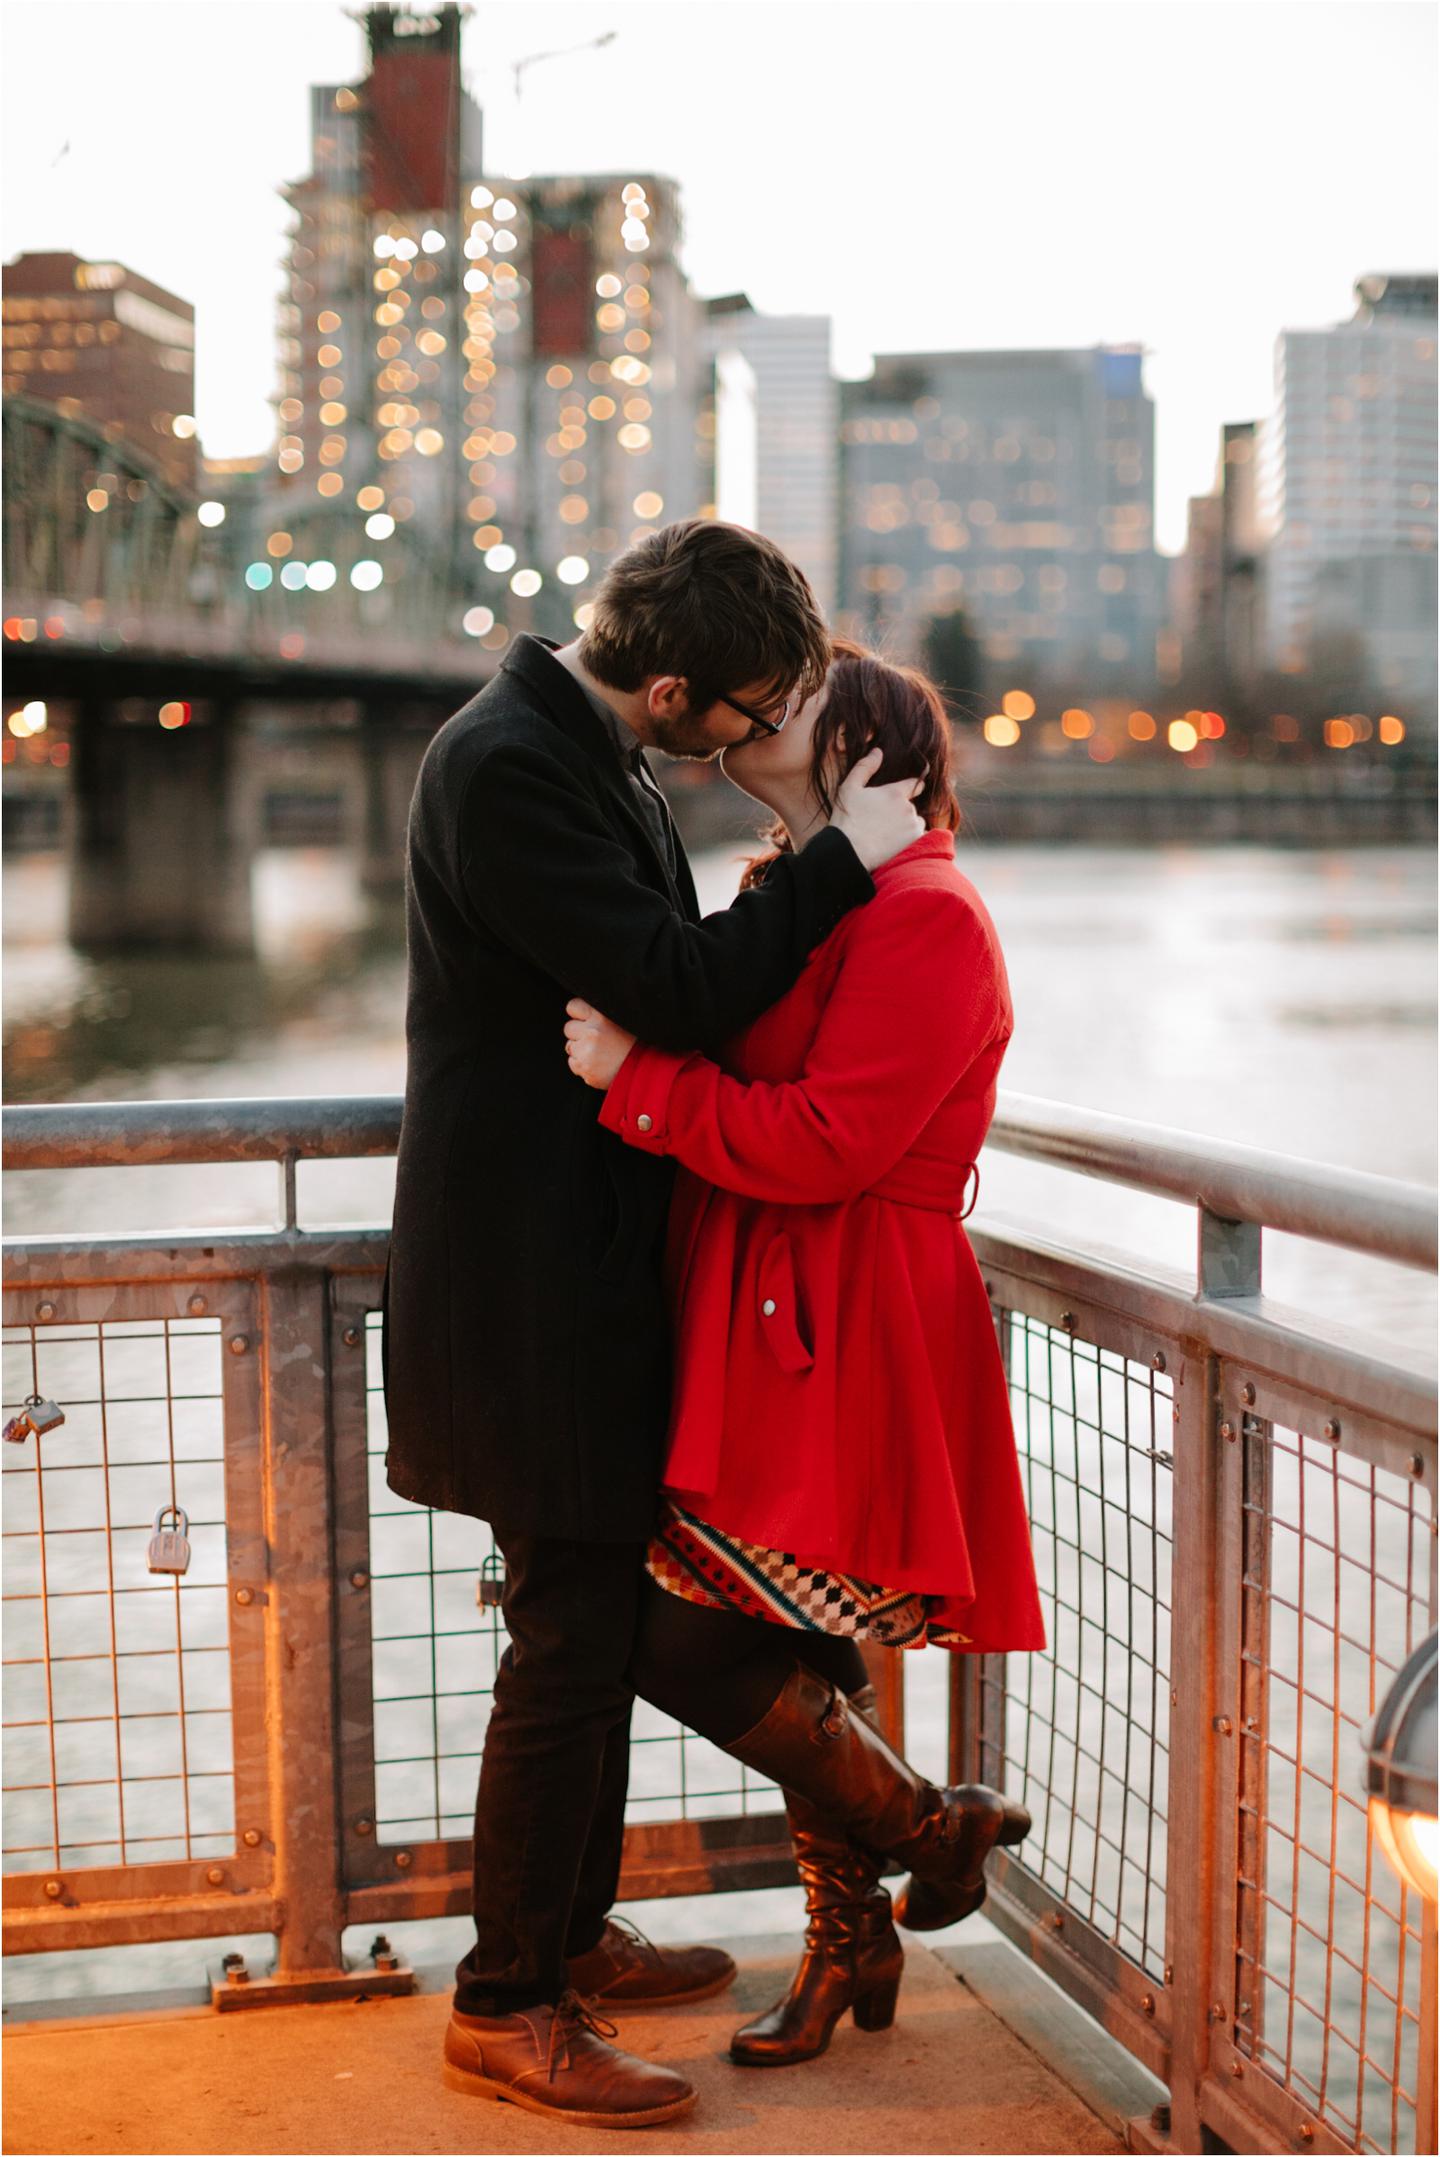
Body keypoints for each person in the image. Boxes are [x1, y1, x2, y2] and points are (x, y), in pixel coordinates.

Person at [383, 523, 928, 2129]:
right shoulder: (505, 767)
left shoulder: (584, 750)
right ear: (671, 681)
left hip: (578, 1275)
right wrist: (844, 858)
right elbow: (674, 991)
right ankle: (507, 2004)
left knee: (593, 1628)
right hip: (523, 1288)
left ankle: (563, 1937)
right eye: (745, 710)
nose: (752, 739)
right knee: (566, 1639)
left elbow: (662, 992)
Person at [563, 639, 1045, 2070]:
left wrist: (636, 1082)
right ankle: (870, 1914)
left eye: (806, 706)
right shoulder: (812, 887)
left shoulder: (931, 915)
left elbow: (836, 1139)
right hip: (770, 1302)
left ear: (874, 751)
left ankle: (908, 1842)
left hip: (847, 1316)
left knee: (678, 1629)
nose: (765, 713)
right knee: (782, 1634)